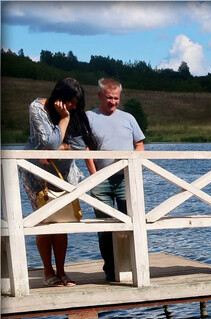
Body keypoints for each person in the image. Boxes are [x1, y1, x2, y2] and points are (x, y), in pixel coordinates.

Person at [22, 77, 98, 287]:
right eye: (71, 101)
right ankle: (48, 271)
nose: (74, 106)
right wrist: (63, 120)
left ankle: (62, 271)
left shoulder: (75, 111)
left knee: (61, 223)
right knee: (45, 221)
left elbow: (79, 143)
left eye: (76, 102)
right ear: (59, 97)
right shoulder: (37, 108)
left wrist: (61, 147)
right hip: (37, 175)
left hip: (64, 175)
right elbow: (49, 142)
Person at [87, 78, 145, 281]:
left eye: (116, 98)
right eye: (109, 98)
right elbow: (87, 150)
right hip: (100, 181)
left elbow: (139, 145)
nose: (113, 102)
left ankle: (132, 268)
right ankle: (111, 271)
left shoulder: (128, 118)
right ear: (100, 96)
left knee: (132, 223)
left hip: (125, 180)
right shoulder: (89, 117)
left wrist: (134, 161)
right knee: (105, 229)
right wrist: (94, 176)